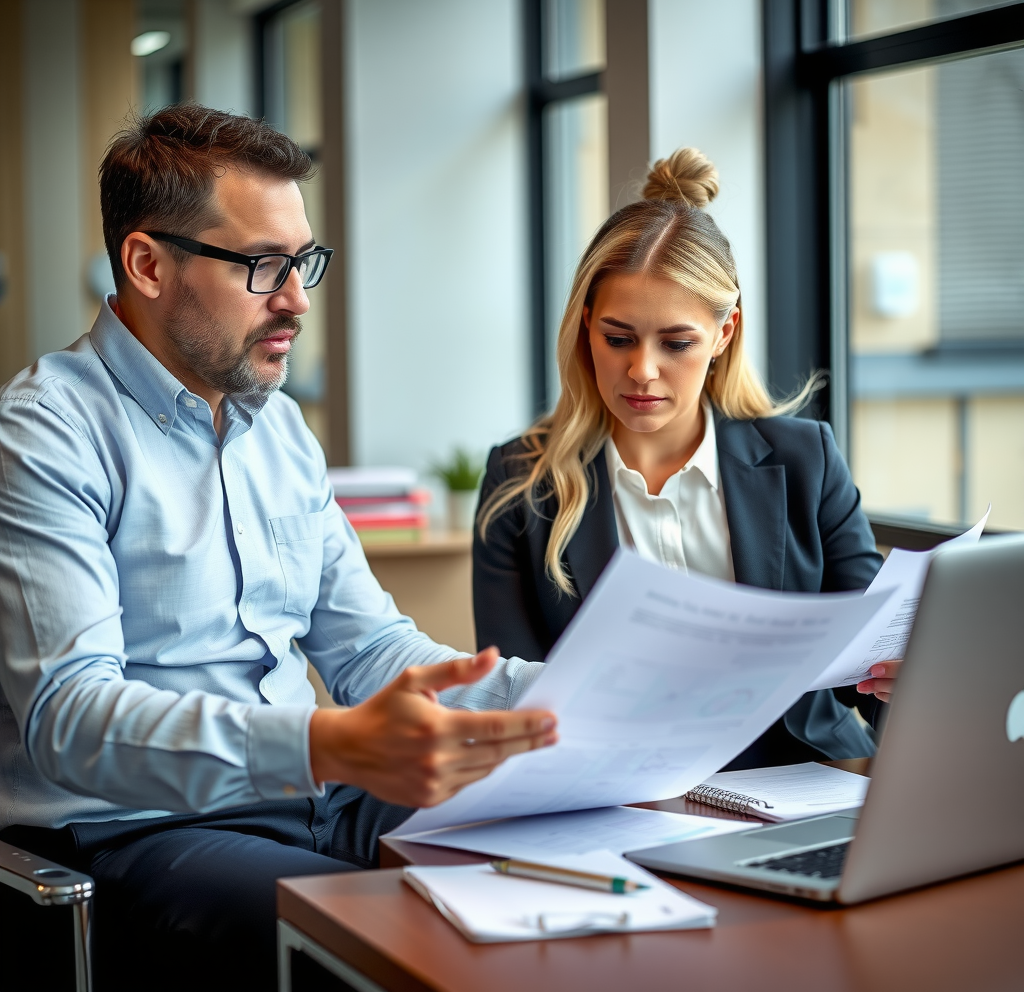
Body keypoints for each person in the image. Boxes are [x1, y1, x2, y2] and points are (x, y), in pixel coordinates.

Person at [0, 105, 557, 991]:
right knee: (412, 947)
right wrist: (323, 746)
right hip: (138, 833)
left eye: (302, 262)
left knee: (559, 855)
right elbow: (72, 719)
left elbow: (369, 647)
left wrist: (570, 698)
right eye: (263, 266)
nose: (297, 297)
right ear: (147, 263)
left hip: (312, 799)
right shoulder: (47, 433)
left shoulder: (279, 430)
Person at [473, 147, 898, 773]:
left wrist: (910, 691)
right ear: (585, 326)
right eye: (617, 339)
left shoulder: (807, 461)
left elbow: (871, 664)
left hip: (811, 782)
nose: (642, 371)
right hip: (615, 795)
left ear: (724, 335)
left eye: (676, 343)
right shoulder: (521, 483)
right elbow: (509, 705)